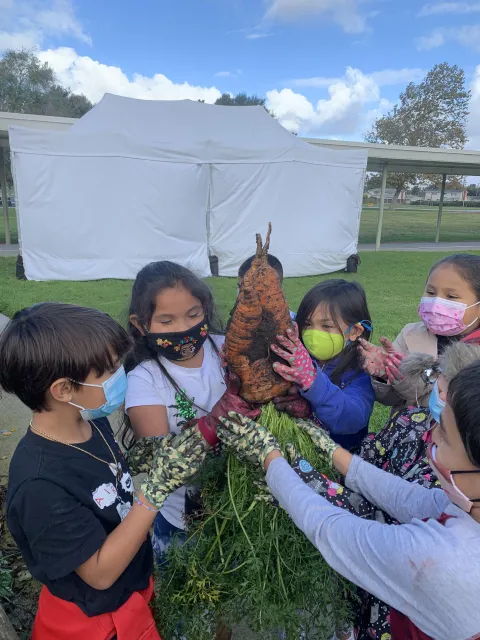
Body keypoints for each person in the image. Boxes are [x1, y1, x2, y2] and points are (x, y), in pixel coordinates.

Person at [218, 359, 480, 640]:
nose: (432, 435)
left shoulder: (444, 559)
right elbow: (410, 500)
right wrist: (334, 453)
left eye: (445, 435)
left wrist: (269, 457)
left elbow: (329, 529)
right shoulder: (468, 507)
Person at [0, 303, 207, 640]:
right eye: (110, 370)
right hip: (95, 621)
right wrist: (156, 488)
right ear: (64, 390)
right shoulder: (40, 485)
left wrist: (145, 456)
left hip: (131, 591)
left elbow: (109, 473)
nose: (121, 374)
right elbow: (99, 574)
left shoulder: (90, 421)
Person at [123, 260, 259, 563]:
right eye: (166, 321)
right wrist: (216, 421)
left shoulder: (228, 349)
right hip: (184, 522)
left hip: (247, 507)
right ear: (140, 324)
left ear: (206, 309)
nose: (183, 329)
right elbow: (161, 458)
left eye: (193, 315)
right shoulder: (145, 379)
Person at [360, 253, 480, 412]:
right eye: (430, 293)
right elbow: (391, 398)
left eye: (451, 296)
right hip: (408, 434)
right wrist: (386, 375)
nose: (436, 302)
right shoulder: (410, 334)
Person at [271, 279, 375, 451]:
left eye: (327, 326)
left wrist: (312, 380)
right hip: (300, 454)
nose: (314, 333)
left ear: (355, 332)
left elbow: (352, 418)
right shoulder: (298, 358)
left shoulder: (360, 372)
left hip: (340, 462)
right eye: (308, 324)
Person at [237, 252, 296, 319]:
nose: (240, 294)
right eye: (239, 287)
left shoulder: (293, 324)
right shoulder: (239, 319)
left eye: (245, 289)